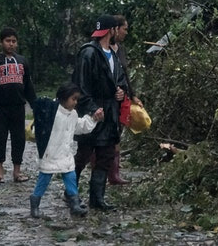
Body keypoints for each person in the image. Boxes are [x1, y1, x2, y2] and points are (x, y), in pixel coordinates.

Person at [71, 14, 131, 210]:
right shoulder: (88, 53)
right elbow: (80, 85)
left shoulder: (113, 54)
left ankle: (97, 198)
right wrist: (91, 108)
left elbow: (120, 78)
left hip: (110, 112)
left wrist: (121, 91)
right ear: (111, 30)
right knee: (83, 155)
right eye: (116, 29)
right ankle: (70, 192)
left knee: (106, 155)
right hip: (93, 113)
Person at [29, 83, 104, 218]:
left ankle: (74, 204)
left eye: (76, 99)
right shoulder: (51, 112)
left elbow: (80, 127)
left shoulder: (73, 114)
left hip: (65, 153)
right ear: (64, 98)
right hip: (50, 153)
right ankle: (35, 204)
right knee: (44, 179)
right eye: (73, 99)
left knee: (70, 177)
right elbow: (39, 130)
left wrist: (93, 119)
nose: (75, 102)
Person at [0, 27, 37, 184]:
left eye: (13, 41)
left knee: (19, 138)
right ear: (1, 42)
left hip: (18, 107)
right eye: (8, 41)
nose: (11, 44)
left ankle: (17, 171)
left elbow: (28, 86)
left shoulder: (22, 61)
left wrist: (35, 105)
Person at [108, 14, 143, 185]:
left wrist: (133, 94)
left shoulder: (120, 49)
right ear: (115, 29)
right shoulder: (99, 49)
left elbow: (125, 74)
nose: (126, 32)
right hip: (105, 99)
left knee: (117, 134)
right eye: (125, 29)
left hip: (121, 98)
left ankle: (114, 173)